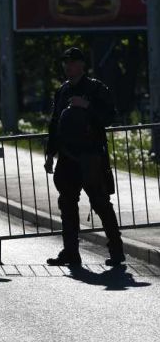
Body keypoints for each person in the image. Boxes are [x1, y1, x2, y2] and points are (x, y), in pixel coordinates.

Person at [44, 47, 123, 267]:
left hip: (90, 156)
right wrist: (50, 154)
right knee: (67, 205)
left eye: (72, 62)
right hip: (67, 157)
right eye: (65, 62)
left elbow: (110, 116)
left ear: (82, 65)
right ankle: (70, 252)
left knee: (100, 203)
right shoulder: (62, 91)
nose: (67, 66)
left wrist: (87, 105)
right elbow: (55, 124)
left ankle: (117, 251)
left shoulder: (96, 88)